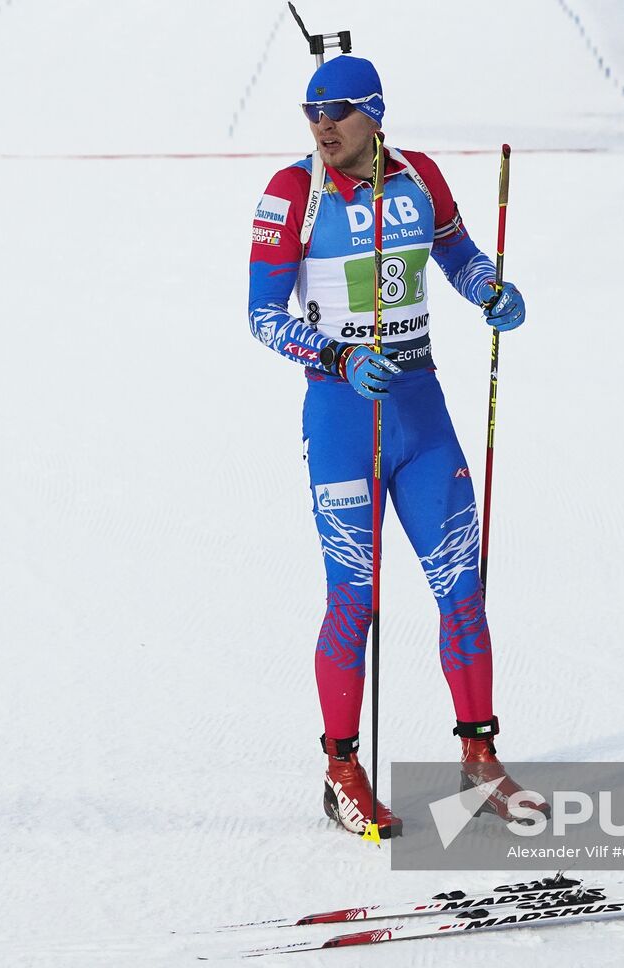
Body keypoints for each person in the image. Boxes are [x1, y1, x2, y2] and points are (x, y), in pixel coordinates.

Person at [246, 54, 534, 839]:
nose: (322, 125)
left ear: (374, 112)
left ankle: (480, 761)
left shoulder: (420, 177)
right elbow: (262, 316)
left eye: (336, 110)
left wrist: (489, 291)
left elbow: (459, 254)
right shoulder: (292, 194)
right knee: (354, 604)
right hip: (343, 420)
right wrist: (336, 357)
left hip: (420, 412)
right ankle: (342, 770)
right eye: (310, 112)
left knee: (462, 592)